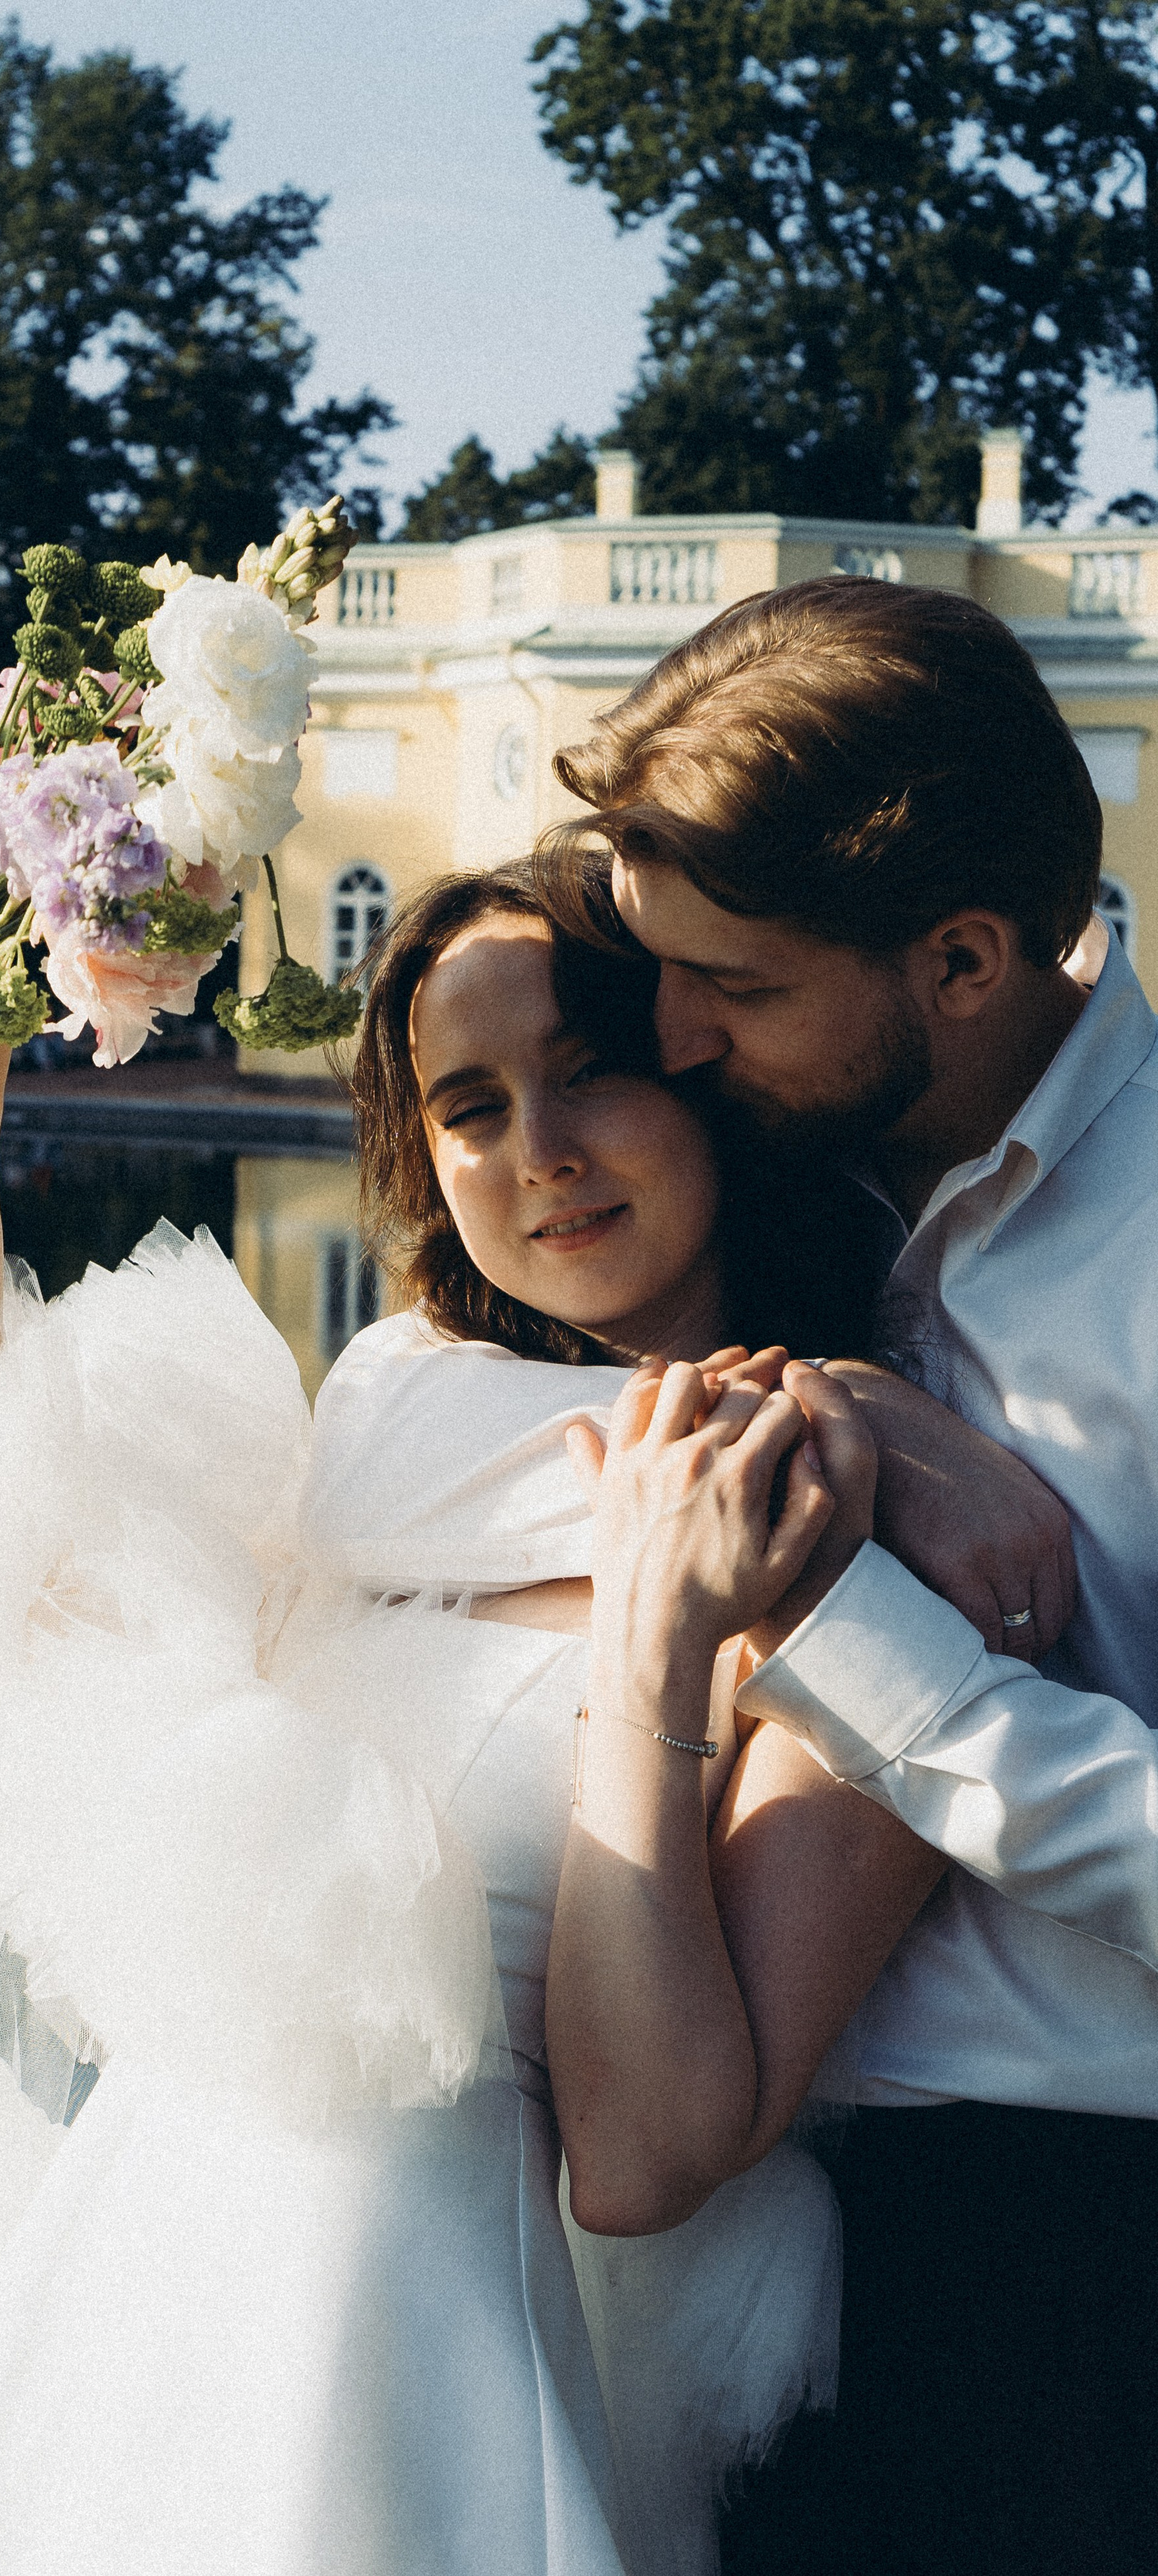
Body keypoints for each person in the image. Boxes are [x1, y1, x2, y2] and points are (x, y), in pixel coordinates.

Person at [0, 855, 1022, 2576]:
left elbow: (649, 2149)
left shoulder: (838, 1540)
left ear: (707, 1071)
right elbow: (10, 1627)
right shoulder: (398, 1418)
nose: (535, 1150)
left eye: (588, 1066)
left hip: (409, 2331)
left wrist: (660, 1640)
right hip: (139, 2259)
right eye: (469, 1107)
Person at [527, 574, 1158, 2576]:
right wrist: (853, 1400)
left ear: (965, 959)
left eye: (741, 986)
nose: (677, 1037)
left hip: (1070, 2269)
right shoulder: (755, 1171)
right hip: (735, 2242)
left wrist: (902, 1678)